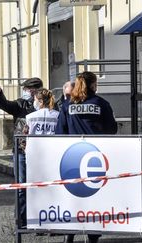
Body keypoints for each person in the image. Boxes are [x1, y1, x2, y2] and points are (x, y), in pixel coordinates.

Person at [56, 71, 117, 243]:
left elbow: (60, 132)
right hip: (96, 158)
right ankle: (93, 237)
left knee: (73, 196)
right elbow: (111, 129)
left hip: (72, 157)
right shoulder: (102, 104)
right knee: (94, 197)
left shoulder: (67, 105)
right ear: (92, 85)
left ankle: (69, 235)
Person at [0, 77, 43, 227]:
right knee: (21, 186)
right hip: (21, 150)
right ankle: (21, 220)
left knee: (41, 185)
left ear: (35, 90)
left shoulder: (47, 105)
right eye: (24, 89)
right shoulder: (21, 104)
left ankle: (40, 219)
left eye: (27, 89)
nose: (24, 92)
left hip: (42, 152)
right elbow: (5, 104)